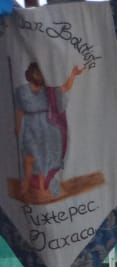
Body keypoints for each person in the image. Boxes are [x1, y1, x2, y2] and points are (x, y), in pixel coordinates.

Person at [14, 58, 84, 200]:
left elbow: (64, 88)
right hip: (30, 127)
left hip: (48, 128)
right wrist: (17, 127)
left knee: (44, 159)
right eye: (36, 74)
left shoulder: (49, 91)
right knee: (29, 158)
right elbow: (20, 111)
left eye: (40, 74)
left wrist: (73, 75)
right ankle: (25, 185)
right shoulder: (21, 91)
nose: (38, 76)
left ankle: (43, 186)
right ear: (30, 74)